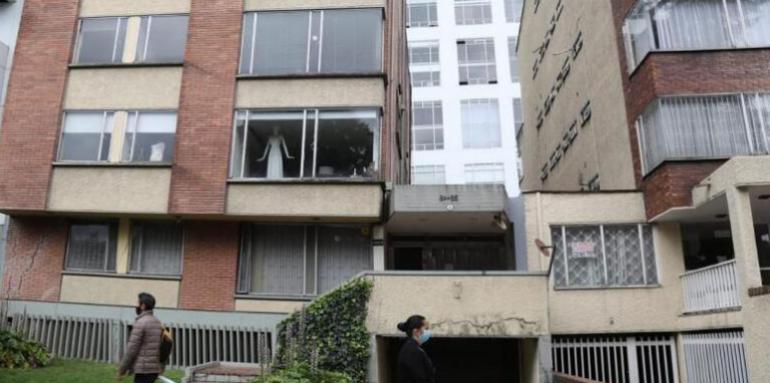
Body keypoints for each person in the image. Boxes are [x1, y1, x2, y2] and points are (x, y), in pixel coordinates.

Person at [118, 293, 164, 383]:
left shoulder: (140, 323)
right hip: (153, 370)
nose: (135, 306)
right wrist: (161, 367)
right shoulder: (158, 323)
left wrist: (122, 369)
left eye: (137, 303)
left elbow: (131, 349)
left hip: (143, 370)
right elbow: (163, 347)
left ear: (142, 306)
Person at [397, 315, 436, 383]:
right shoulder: (412, 351)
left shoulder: (413, 348)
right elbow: (420, 378)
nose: (429, 331)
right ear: (416, 332)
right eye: (426, 328)